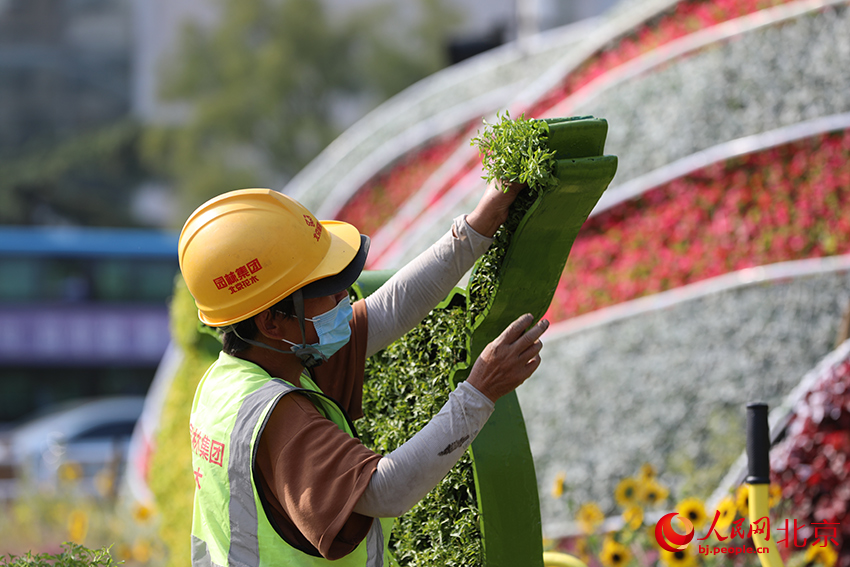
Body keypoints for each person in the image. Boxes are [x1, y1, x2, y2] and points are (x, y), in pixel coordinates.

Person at [178, 185, 549, 567]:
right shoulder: (279, 418)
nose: (346, 300)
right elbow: (384, 491)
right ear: (272, 321)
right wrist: (480, 392)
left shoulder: (232, 379)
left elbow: (390, 309)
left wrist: (475, 228)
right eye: (327, 291)